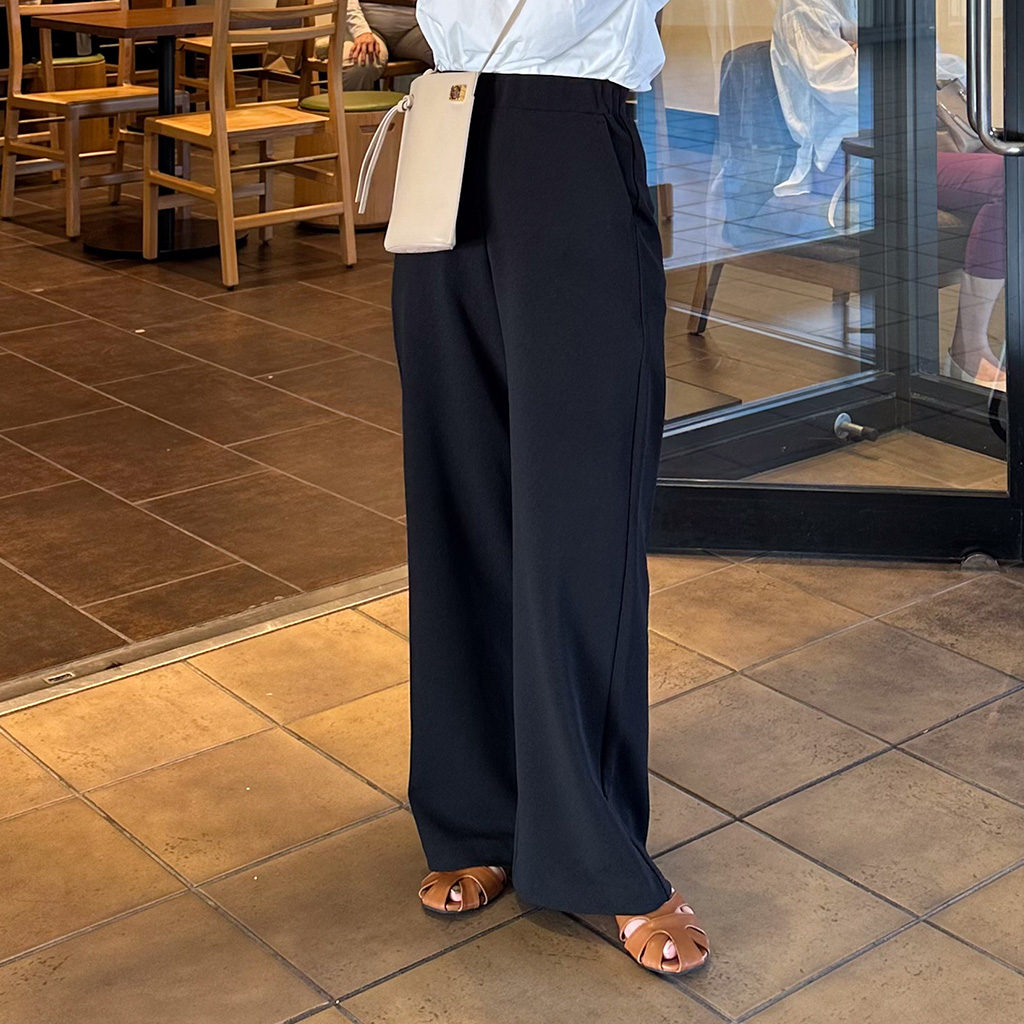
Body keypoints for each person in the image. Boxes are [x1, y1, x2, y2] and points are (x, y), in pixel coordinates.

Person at [392, 0, 710, 977]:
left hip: (571, 137)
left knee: (579, 517)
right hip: (445, 127)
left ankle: (593, 843)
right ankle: (474, 812)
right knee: (459, 498)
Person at [772, 0, 1006, 388]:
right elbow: (841, 90)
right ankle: (969, 350)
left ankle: (981, 346)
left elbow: (949, 68)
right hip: (852, 157)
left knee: (1015, 166)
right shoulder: (805, 6)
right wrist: (901, 56)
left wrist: (871, 51)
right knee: (1004, 178)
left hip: (917, 141)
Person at [335, 0, 434, 90]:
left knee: (442, 52)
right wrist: (361, 31)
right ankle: (354, 104)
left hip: (415, 28)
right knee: (359, 64)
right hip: (368, 28)